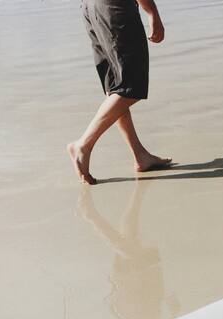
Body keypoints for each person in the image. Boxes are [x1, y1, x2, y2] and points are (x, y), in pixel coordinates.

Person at [68, 0, 174, 185]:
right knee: (130, 88)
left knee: (115, 89)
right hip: (114, 7)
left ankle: (140, 155)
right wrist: (152, 13)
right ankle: (83, 145)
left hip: (91, 7)